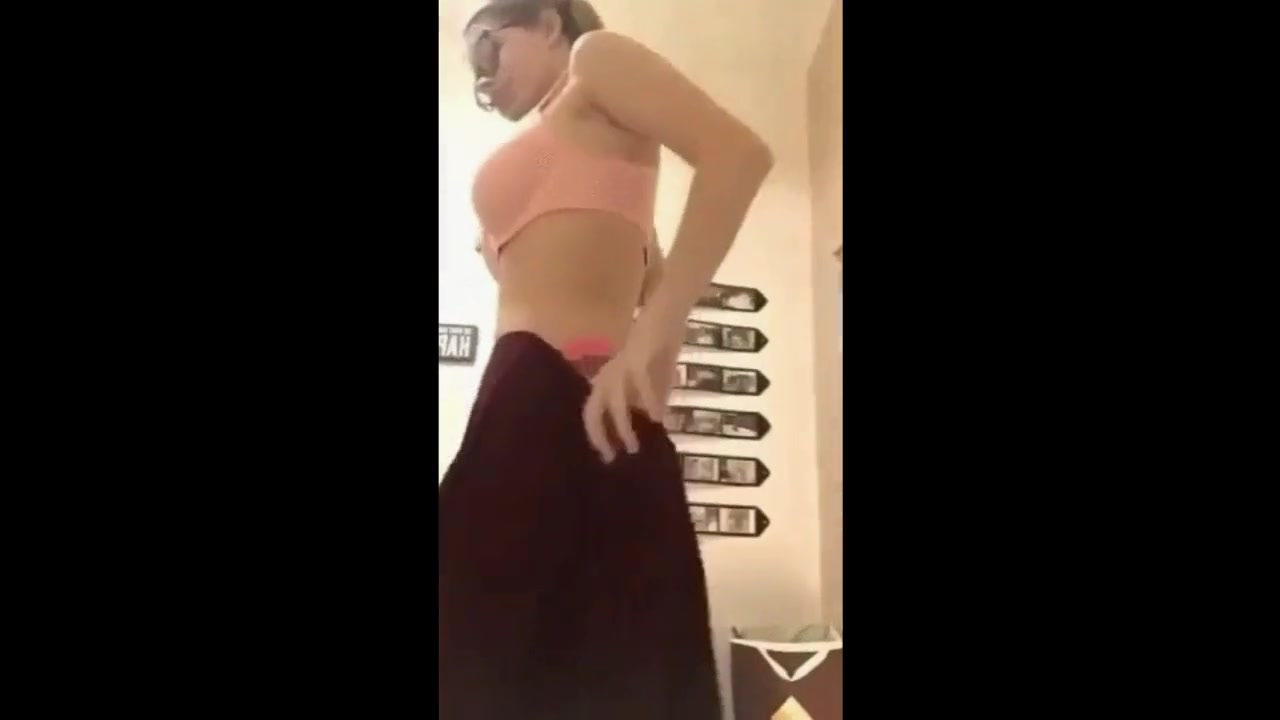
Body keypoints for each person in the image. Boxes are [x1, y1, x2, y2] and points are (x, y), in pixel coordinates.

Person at [438, 0, 774, 717]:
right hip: (519, 401)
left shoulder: (597, 61)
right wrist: (649, 388)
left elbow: (738, 154)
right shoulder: (585, 150)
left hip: (553, 399)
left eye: (488, 49)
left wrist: (644, 352)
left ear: (548, 22)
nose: (482, 79)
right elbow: (646, 270)